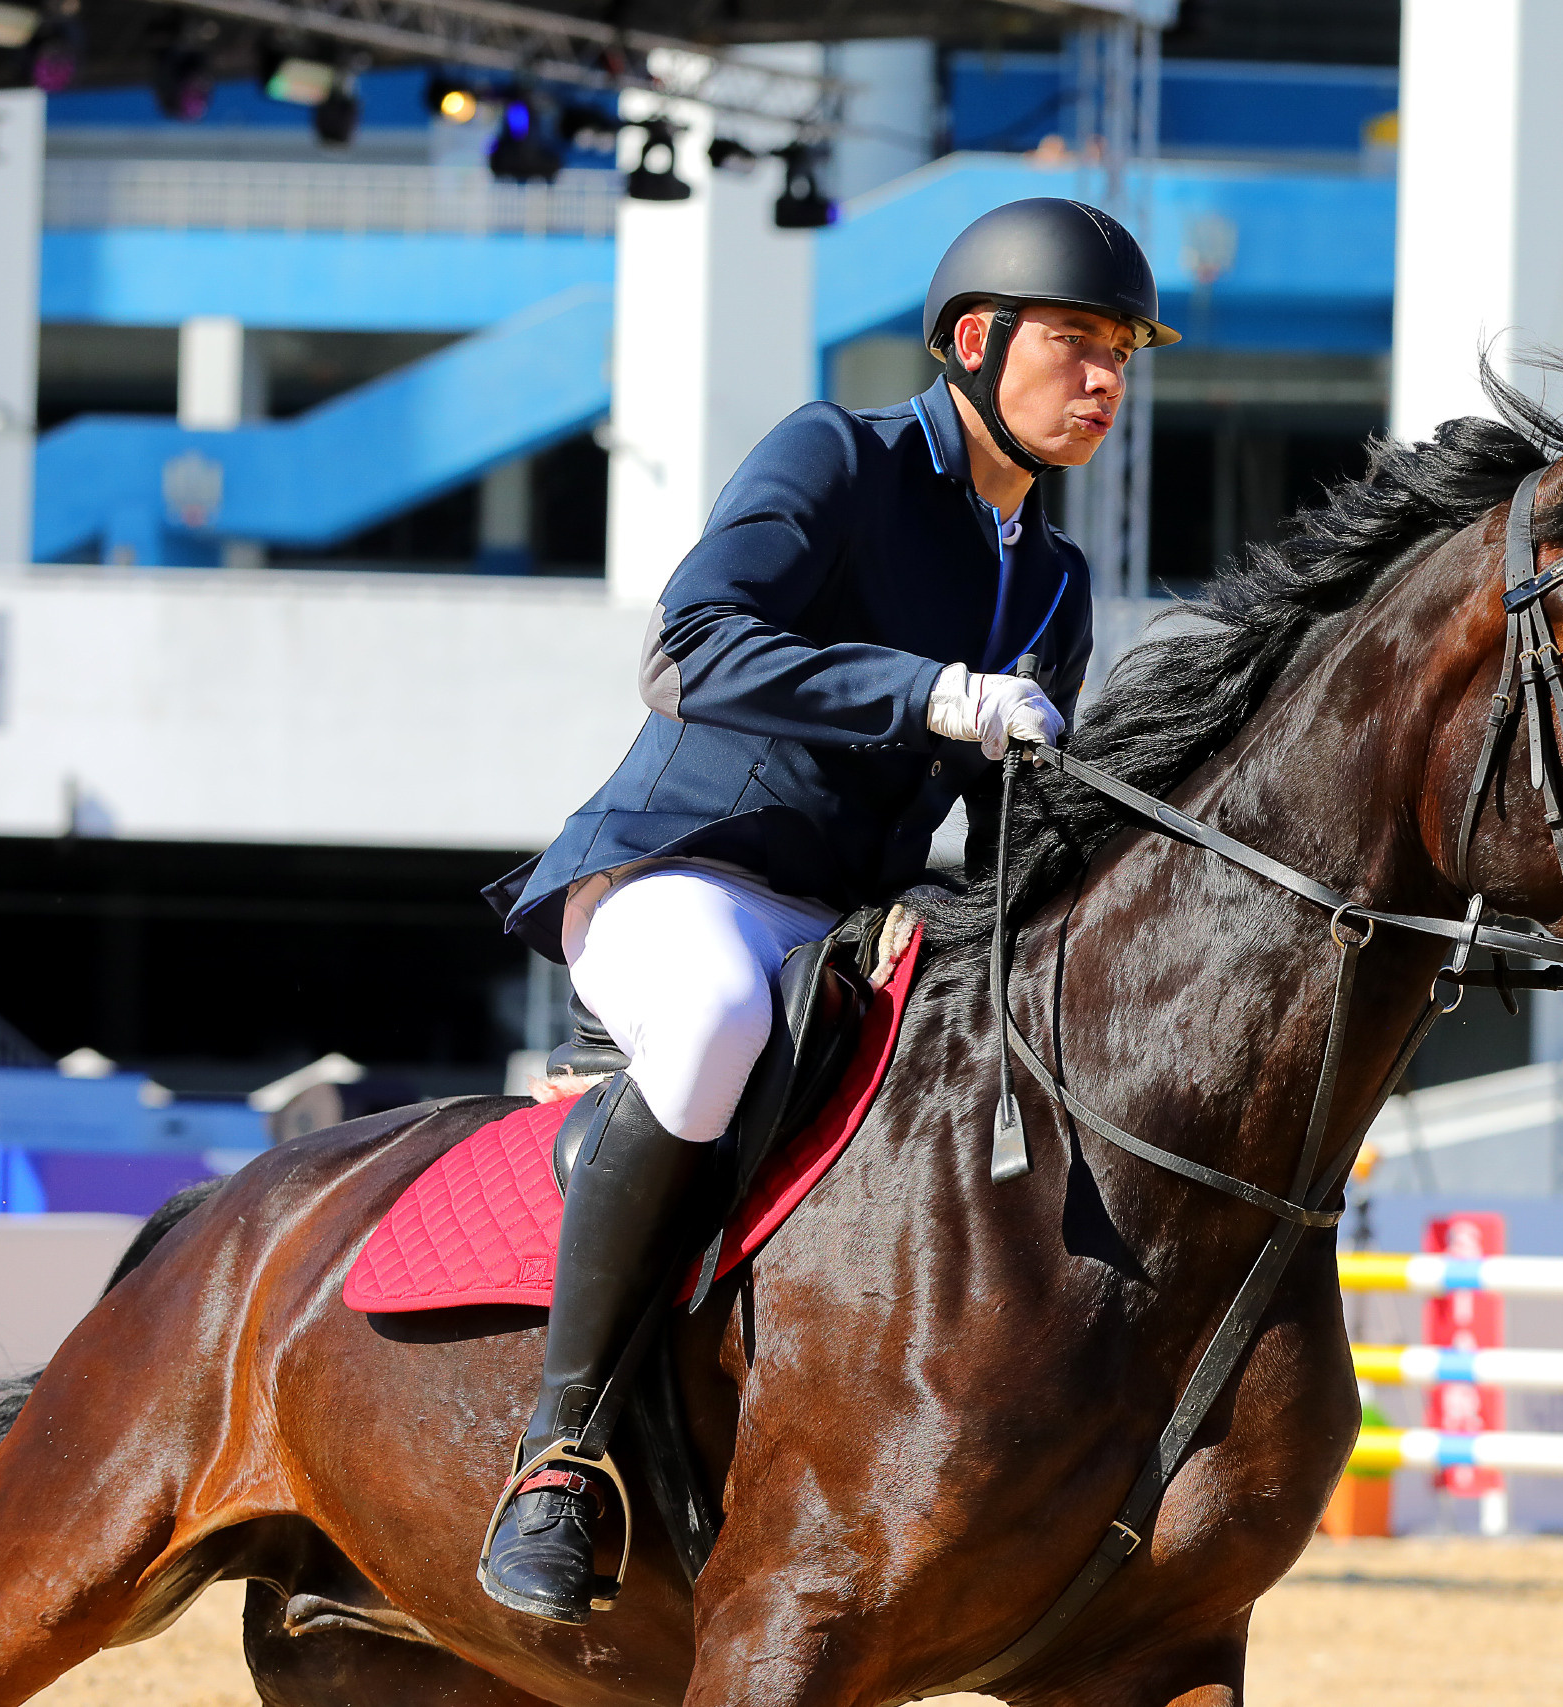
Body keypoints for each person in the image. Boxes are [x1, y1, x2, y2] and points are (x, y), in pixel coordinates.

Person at [474, 197, 1179, 1625]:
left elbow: (1004, 833)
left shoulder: (1052, 575)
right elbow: (694, 646)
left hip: (850, 929)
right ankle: (561, 1454)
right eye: (1077, 344)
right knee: (724, 1010)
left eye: (1123, 354)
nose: (1107, 380)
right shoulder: (837, 454)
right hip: (688, 877)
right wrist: (930, 693)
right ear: (975, 343)